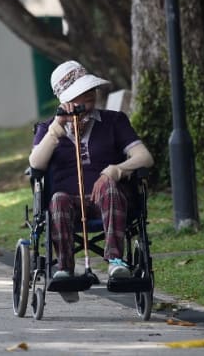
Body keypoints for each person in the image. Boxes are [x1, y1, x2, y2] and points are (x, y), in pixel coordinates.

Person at [29, 60, 154, 303]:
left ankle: (116, 261)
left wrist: (115, 171)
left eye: (90, 92)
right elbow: (36, 165)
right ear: (65, 100)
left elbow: (144, 157)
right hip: (69, 205)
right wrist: (57, 129)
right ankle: (65, 269)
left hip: (111, 201)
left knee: (109, 187)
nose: (88, 98)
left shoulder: (114, 121)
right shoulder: (47, 129)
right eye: (81, 94)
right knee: (58, 199)